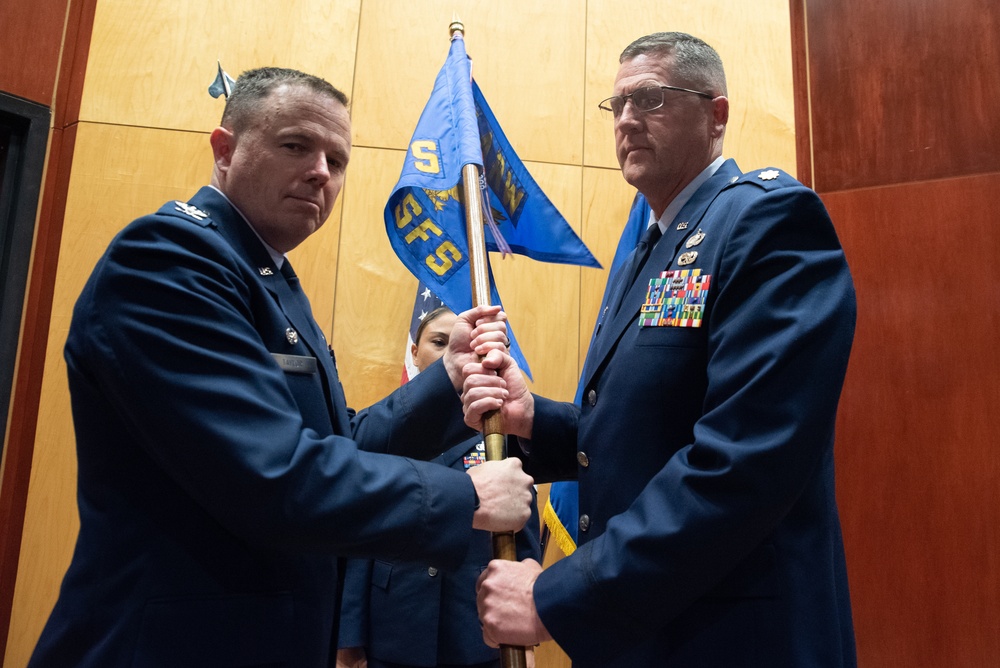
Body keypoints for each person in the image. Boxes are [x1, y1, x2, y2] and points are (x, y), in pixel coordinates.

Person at [29, 67, 534, 667]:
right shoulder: (168, 261)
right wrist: (463, 497)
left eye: (337, 161)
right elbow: (269, 472)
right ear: (225, 149)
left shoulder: (264, 275)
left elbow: (336, 444)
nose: (321, 171)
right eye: (296, 145)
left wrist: (447, 379)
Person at [463, 32, 858, 667]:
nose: (625, 120)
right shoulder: (648, 247)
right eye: (617, 104)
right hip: (651, 633)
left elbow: (745, 459)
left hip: (734, 639)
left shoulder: (768, 222)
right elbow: (648, 428)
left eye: (649, 98)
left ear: (716, 114)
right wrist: (535, 419)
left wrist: (559, 596)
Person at [337, 307, 541, 668]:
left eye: (457, 344)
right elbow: (362, 533)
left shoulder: (497, 428)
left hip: (472, 627)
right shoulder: (389, 429)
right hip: (395, 621)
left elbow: (519, 522)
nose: (448, 351)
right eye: (438, 342)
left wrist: (525, 622)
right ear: (414, 353)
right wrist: (350, 635)